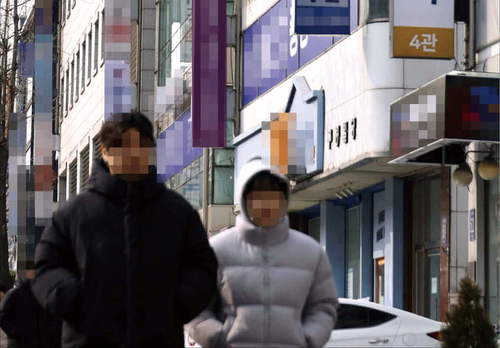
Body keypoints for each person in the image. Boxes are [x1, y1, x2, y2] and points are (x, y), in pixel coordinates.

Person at [32, 112, 218, 348]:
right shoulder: (74, 214)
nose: (133, 154)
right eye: (123, 146)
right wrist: (77, 301)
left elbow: (202, 267)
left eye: (142, 146)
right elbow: (46, 268)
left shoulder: (178, 213)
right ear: (105, 151)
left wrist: (176, 306)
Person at [188, 155, 338, 348]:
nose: (266, 203)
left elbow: (323, 306)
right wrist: (219, 337)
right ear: (244, 200)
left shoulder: (310, 252)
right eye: (257, 196)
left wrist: (307, 339)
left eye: (274, 196)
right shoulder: (216, 250)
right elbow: (195, 306)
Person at [0, 262, 61, 348]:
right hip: (21, 343)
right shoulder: (15, 294)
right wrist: (16, 332)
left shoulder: (41, 294)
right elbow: (3, 316)